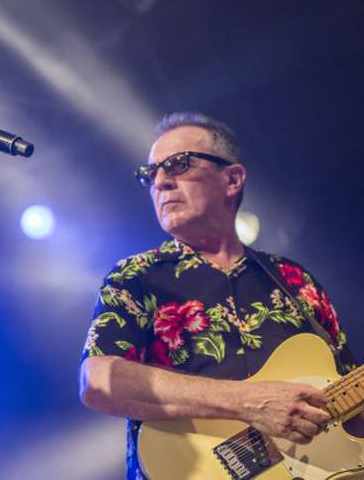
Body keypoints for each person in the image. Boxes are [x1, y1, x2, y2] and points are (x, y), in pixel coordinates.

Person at [78, 112, 359, 479]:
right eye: (151, 173)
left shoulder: (294, 279)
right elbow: (98, 382)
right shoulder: (135, 276)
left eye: (177, 164)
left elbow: (350, 396)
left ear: (232, 179)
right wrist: (246, 402)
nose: (160, 181)